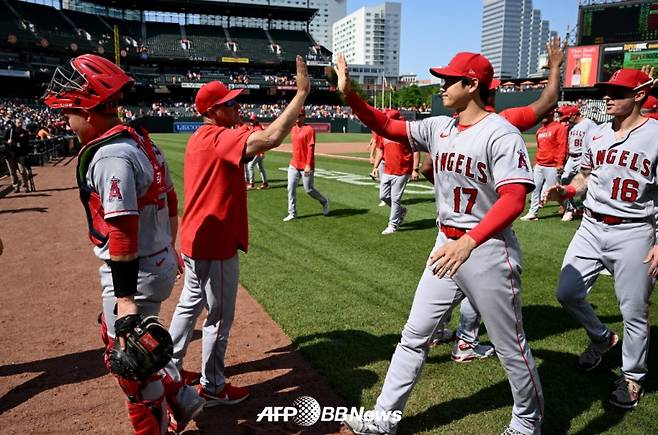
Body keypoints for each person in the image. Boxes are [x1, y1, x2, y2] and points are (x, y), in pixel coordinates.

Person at [336, 52, 543, 435]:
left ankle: (528, 422)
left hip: (488, 249)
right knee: (414, 336)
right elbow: (384, 124)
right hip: (445, 246)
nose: (442, 85)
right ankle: (383, 419)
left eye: (450, 79)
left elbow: (515, 198)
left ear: (473, 85)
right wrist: (350, 95)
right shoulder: (440, 128)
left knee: (510, 346)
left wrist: (470, 241)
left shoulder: (501, 132)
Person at [43, 54, 204, 434]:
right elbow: (171, 198)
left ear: (89, 110)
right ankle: (181, 395)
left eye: (70, 114)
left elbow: (122, 230)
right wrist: (169, 246)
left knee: (132, 364)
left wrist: (126, 298)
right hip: (154, 260)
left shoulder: (111, 154)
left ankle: (162, 419)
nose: (68, 123)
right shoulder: (137, 139)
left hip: (136, 270)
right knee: (126, 338)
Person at [168, 56, 311, 406]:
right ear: (215, 110)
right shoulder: (218, 137)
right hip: (214, 243)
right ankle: (213, 385)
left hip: (195, 237)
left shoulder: (201, 137)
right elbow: (273, 136)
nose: (236, 106)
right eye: (230, 103)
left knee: (189, 305)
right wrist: (301, 93)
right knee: (219, 317)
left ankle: (167, 368)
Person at [424, 36, 565, 362]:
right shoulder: (506, 121)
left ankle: (438, 333)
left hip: (450, 222)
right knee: (475, 285)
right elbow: (548, 99)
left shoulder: (451, 127)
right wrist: (555, 66)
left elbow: (425, 168)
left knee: (441, 274)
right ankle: (466, 342)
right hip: (486, 225)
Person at [543, 68, 657, 410]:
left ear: (639, 95)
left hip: (634, 230)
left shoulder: (655, 135)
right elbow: (586, 175)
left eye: (616, 91)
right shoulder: (597, 134)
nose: (606, 96)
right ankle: (602, 338)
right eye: (605, 91)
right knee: (567, 292)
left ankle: (633, 376)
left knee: (634, 311)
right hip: (591, 227)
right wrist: (568, 189)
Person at [370, 108, 419, 234]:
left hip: (402, 170)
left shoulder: (405, 133)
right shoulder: (383, 133)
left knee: (395, 198)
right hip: (387, 169)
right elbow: (380, 150)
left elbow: (415, 151)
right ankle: (401, 211)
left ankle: (393, 225)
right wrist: (375, 167)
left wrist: (415, 169)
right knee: (384, 196)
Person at [519, 107, 567, 221]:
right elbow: (540, 148)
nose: (543, 117)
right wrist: (536, 163)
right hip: (540, 165)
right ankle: (533, 213)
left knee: (555, 192)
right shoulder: (539, 130)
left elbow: (562, 146)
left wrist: (560, 163)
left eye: (546, 114)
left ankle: (569, 209)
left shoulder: (559, 128)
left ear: (552, 115)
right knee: (535, 189)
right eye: (542, 115)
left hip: (552, 166)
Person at [283, 108, 330, 221]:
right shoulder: (293, 129)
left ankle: (324, 201)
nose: (297, 118)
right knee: (290, 188)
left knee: (309, 190)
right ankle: (292, 213)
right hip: (294, 164)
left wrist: (308, 164)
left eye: (299, 116)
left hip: (306, 166)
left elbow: (311, 148)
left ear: (304, 116)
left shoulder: (309, 130)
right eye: (296, 116)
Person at [556, 105, 596, 221]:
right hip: (571, 158)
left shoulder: (589, 123)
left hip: (583, 157)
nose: (566, 120)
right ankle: (570, 208)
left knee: (585, 185)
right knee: (564, 182)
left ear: (574, 115)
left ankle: (584, 209)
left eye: (567, 117)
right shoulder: (571, 126)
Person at [4, 119, 31, 193]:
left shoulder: (24, 132)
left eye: (21, 122)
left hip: (20, 154)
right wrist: (7, 142)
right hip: (10, 154)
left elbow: (27, 143)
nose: (20, 124)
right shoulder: (9, 131)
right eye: (18, 122)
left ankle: (25, 186)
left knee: (22, 171)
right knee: (12, 172)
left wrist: (26, 153)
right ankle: (16, 187)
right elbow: (4, 141)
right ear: (15, 123)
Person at [246, 114, 269, 189]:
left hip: (258, 151)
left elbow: (262, 140)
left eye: (252, 120)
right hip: (255, 150)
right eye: (250, 120)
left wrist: (262, 152)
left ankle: (251, 183)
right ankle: (265, 183)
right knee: (260, 168)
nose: (251, 121)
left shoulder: (258, 129)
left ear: (256, 120)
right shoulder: (253, 127)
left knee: (250, 166)